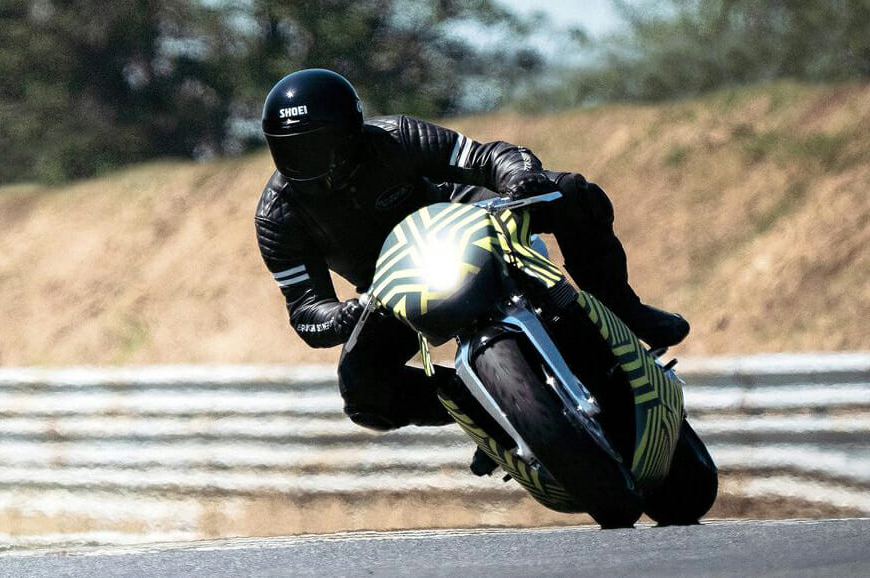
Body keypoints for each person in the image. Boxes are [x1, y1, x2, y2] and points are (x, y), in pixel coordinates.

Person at [255, 69, 689, 432]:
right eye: (293, 150)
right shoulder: (277, 217)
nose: (313, 163)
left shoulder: (396, 137)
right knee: (361, 389)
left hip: (462, 220)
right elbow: (306, 309)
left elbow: (487, 156)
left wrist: (518, 176)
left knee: (573, 192)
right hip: (390, 292)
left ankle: (624, 309)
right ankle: (484, 416)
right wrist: (341, 316)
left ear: (352, 130)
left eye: (321, 146)